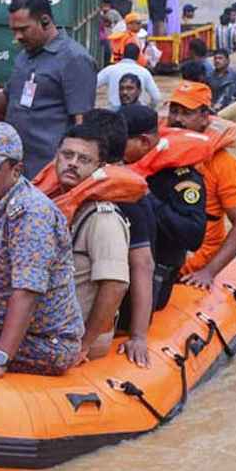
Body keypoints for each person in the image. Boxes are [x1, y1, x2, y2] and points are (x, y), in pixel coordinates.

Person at [0, 124, 84, 378]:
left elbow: (27, 293)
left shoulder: (31, 214)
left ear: (16, 170)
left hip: (44, 340)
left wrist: (0, 359)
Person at [33, 123, 145, 360]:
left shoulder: (103, 219)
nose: (73, 163)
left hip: (75, 337)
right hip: (47, 326)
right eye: (67, 155)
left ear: (99, 168)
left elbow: (116, 285)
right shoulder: (50, 204)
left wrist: (84, 344)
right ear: (56, 158)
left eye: (84, 159)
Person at [0, 0, 97, 178]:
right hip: (17, 169)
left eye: (23, 29)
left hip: (50, 175)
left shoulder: (74, 59)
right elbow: (5, 106)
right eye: (14, 30)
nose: (17, 37)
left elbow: (83, 125)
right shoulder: (25, 56)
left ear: (45, 21)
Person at [80, 108, 156, 368]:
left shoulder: (125, 196)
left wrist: (139, 336)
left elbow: (143, 264)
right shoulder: (89, 188)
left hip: (115, 311)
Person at [164, 83, 236, 290]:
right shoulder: (160, 153)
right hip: (163, 255)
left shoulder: (224, 165)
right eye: (174, 111)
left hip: (194, 266)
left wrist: (209, 272)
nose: (177, 119)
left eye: (186, 113)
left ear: (205, 116)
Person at [121, 104, 208, 310]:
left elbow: (193, 236)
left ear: (144, 141)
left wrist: (147, 198)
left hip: (155, 274)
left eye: (121, 142)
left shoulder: (183, 178)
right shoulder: (117, 166)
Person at [97, 43, 160, 109]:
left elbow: (92, 85)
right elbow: (156, 97)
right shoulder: (145, 72)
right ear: (138, 56)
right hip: (137, 111)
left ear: (123, 54)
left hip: (114, 112)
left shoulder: (110, 70)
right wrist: (148, 109)